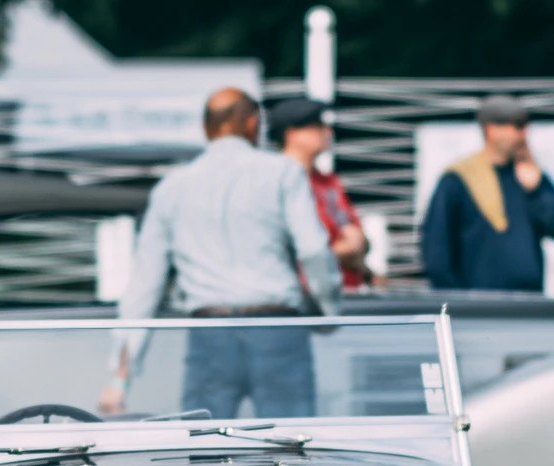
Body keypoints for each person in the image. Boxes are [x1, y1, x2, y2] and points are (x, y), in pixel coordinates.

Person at [102, 87, 341, 420]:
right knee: (293, 450)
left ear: (206, 129)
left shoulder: (171, 188)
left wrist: (120, 380)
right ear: (252, 122)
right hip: (278, 327)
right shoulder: (282, 173)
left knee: (206, 455)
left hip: (210, 333)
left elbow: (145, 286)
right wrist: (328, 313)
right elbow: (314, 250)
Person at [420, 95, 554, 292]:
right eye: (517, 126)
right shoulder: (458, 179)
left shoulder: (529, 174)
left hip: (529, 303)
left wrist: (536, 190)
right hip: (478, 307)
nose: (524, 134)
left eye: (525, 127)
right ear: (491, 130)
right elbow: (436, 250)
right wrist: (455, 301)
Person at [272, 95, 372, 289]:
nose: (327, 131)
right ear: (292, 134)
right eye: (316, 125)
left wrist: (360, 245)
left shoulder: (329, 181)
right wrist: (340, 252)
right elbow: (283, 254)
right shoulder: (275, 184)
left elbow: (357, 236)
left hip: (344, 291)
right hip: (306, 297)